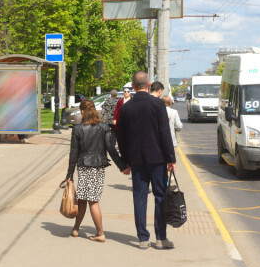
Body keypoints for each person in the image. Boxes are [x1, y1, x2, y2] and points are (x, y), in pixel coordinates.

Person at [116, 71, 177, 250]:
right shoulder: (158, 104)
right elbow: (165, 133)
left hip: (136, 160)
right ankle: (160, 238)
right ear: (149, 84)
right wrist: (170, 159)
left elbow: (121, 137)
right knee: (160, 196)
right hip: (157, 159)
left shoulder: (126, 107)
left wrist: (125, 161)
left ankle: (142, 238)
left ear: (133, 87)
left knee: (140, 197)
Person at [66, 100, 130, 243]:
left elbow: (73, 154)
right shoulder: (103, 127)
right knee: (91, 200)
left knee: (83, 199)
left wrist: (69, 175)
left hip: (83, 167)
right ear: (94, 110)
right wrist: (123, 166)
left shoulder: (77, 129)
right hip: (98, 167)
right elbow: (111, 149)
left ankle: (99, 233)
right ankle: (76, 228)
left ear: (82, 112)